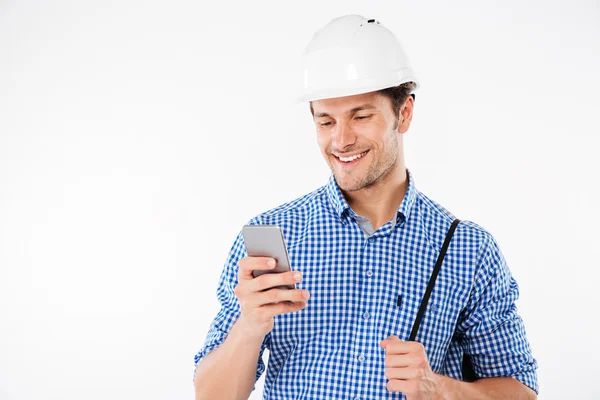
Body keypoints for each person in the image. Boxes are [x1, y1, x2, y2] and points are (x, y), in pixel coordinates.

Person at [193, 14, 538, 400]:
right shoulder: (274, 237)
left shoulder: (468, 250)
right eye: (326, 121)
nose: (341, 140)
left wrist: (439, 389)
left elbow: (520, 391)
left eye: (361, 115)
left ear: (403, 113)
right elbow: (210, 395)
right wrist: (250, 326)